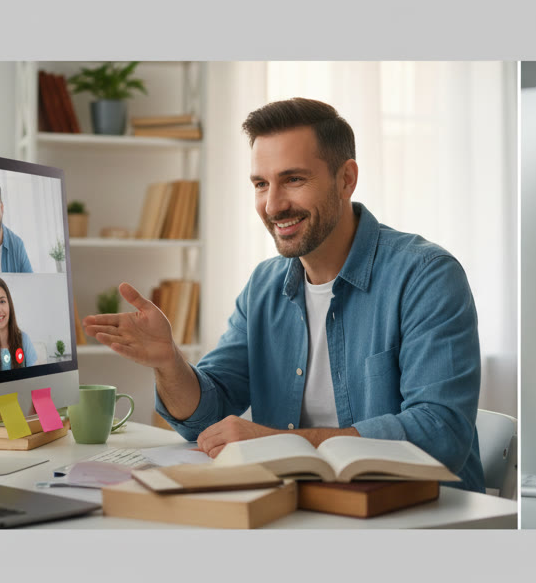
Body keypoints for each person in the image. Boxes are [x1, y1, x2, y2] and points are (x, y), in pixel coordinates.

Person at [83, 98, 485, 492]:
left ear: (346, 179)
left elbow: (441, 432)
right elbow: (206, 417)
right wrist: (169, 363)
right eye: (261, 184)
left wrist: (280, 443)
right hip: (302, 507)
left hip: (423, 511)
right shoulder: (265, 285)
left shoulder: (426, 275)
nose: (273, 205)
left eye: (294, 179)